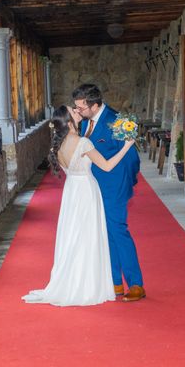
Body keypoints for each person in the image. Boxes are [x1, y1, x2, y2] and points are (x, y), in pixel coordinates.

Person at [22, 105, 135, 306]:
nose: (78, 111)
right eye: (73, 112)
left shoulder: (58, 144)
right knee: (88, 236)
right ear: (68, 121)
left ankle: (74, 280)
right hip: (86, 191)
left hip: (71, 192)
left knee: (74, 236)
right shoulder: (83, 142)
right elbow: (107, 166)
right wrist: (126, 146)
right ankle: (87, 284)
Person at [72, 84, 145, 302]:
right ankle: (115, 282)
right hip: (93, 187)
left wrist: (126, 183)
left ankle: (135, 284)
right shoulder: (85, 122)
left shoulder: (117, 121)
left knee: (118, 230)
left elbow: (132, 158)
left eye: (81, 108)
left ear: (94, 105)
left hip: (114, 187)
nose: (78, 112)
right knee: (105, 233)